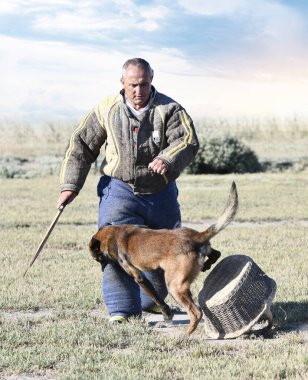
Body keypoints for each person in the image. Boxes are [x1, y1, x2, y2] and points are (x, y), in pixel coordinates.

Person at [57, 58, 199, 323]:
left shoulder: (170, 108)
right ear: (122, 82)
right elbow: (81, 146)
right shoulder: (106, 109)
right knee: (111, 248)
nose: (138, 91)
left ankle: (151, 301)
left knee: (164, 249)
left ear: (152, 80)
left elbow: (188, 140)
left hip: (161, 192)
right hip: (119, 190)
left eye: (144, 84)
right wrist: (70, 186)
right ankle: (122, 310)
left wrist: (168, 158)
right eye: (132, 84)